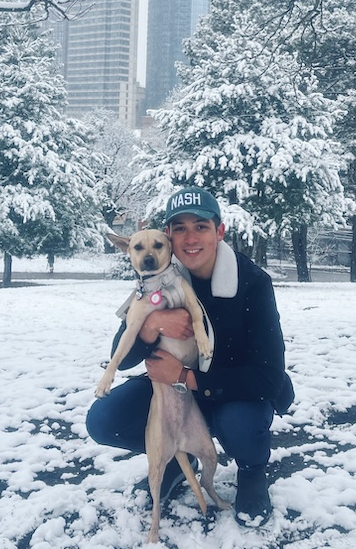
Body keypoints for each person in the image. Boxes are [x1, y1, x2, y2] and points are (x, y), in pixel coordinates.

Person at [86, 185, 294, 526]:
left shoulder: (253, 283)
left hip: (235, 390)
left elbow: (269, 378)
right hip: (174, 387)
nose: (190, 238)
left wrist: (184, 376)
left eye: (201, 226)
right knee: (104, 419)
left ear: (220, 231)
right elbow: (120, 357)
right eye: (180, 228)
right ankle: (174, 460)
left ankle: (253, 471)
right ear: (168, 236)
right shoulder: (158, 276)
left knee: (240, 423)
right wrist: (153, 324)